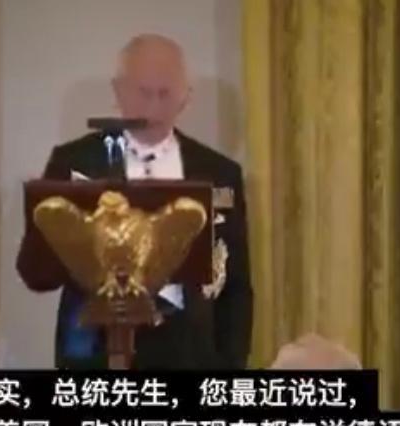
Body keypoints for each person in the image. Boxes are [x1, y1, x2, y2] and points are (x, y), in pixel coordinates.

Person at [16, 34, 253, 370]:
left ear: (185, 97)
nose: (153, 107)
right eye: (143, 92)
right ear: (118, 91)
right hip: (93, 352)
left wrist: (230, 365)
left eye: (165, 94)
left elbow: (237, 287)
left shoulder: (220, 172)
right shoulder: (74, 161)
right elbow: (36, 276)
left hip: (191, 355)